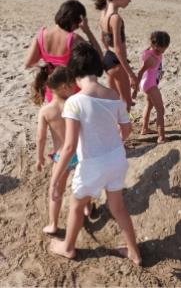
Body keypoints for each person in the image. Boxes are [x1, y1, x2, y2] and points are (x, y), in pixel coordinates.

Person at [49, 42, 141, 266]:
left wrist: (55, 179)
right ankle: (134, 252)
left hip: (91, 164)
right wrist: (114, 143)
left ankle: (68, 247)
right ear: (97, 68)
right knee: (118, 207)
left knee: (77, 205)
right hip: (116, 159)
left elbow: (69, 146)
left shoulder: (74, 102)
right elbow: (127, 129)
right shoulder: (113, 96)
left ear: (73, 71)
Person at [32, 65, 79, 234]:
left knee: (56, 192)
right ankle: (87, 208)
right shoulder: (76, 104)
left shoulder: (46, 111)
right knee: (82, 184)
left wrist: (39, 158)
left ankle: (53, 224)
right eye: (72, 84)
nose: (75, 87)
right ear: (63, 87)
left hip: (61, 157)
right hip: (79, 152)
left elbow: (41, 138)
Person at [25, 0, 102, 102]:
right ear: (76, 20)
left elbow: (29, 64)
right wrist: (87, 31)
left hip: (52, 89)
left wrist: (48, 67)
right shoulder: (74, 39)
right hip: (71, 90)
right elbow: (99, 56)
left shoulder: (41, 35)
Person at [95, 0, 137, 112]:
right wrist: (130, 74)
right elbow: (119, 49)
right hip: (117, 62)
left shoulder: (103, 12)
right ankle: (121, 132)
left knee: (114, 101)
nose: (130, 0)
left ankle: (112, 129)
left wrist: (109, 53)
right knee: (126, 103)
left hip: (108, 59)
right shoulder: (115, 18)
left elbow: (102, 38)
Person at [134, 31, 170, 143]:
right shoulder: (150, 58)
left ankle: (144, 128)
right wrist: (135, 89)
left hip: (150, 81)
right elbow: (140, 72)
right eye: (158, 50)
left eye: (163, 50)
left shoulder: (153, 52)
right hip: (149, 84)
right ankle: (161, 136)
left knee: (149, 105)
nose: (161, 52)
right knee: (160, 109)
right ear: (153, 44)